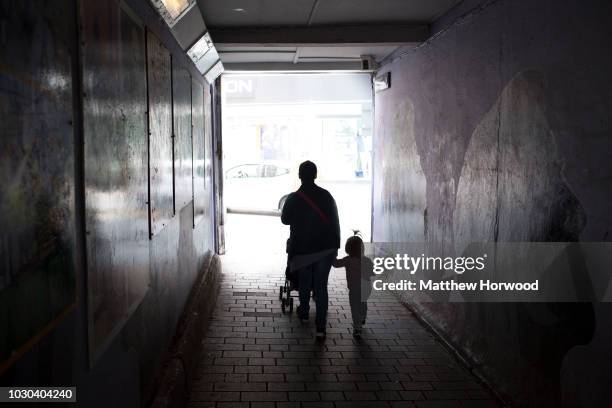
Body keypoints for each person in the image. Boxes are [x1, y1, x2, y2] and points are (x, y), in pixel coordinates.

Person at [281, 161, 340, 338]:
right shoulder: (327, 196)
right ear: (315, 175)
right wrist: (335, 247)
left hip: (302, 248)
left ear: (300, 176)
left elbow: (285, 220)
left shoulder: (293, 198)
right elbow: (335, 222)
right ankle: (321, 327)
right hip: (325, 248)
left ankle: (304, 312)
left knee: (305, 281)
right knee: (321, 286)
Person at [332, 232, 374, 337]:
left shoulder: (348, 260)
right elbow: (373, 272)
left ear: (348, 249)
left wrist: (333, 254)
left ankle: (357, 327)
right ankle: (363, 317)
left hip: (354, 288)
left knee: (355, 307)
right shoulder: (367, 260)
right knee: (363, 303)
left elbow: (336, 264)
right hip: (366, 286)